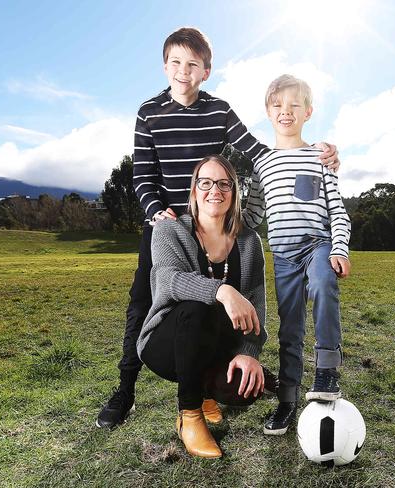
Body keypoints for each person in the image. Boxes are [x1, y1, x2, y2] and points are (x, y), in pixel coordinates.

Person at [96, 27, 340, 429]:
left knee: (209, 311)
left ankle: (209, 385)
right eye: (175, 62)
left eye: (192, 65)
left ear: (205, 71)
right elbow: (141, 175)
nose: (183, 71)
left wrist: (313, 153)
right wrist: (158, 211)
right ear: (164, 66)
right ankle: (125, 391)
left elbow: (261, 153)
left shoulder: (219, 111)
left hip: (215, 227)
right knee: (142, 306)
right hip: (168, 229)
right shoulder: (149, 112)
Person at [135, 155, 266, 458]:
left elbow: (256, 303)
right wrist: (224, 291)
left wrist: (249, 353)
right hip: (167, 342)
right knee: (195, 307)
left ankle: (208, 393)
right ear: (194, 190)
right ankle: (190, 415)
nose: (214, 191)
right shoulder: (168, 230)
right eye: (205, 183)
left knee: (246, 388)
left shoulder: (248, 242)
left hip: (216, 344)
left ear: (235, 192)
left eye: (224, 184)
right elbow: (168, 280)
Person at [243, 74, 352, 435]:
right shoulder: (262, 164)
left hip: (318, 246)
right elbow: (251, 216)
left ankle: (327, 372)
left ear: (308, 111)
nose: (285, 112)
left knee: (322, 284)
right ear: (267, 111)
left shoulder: (320, 156)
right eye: (277, 105)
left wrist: (339, 248)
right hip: (284, 257)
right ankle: (287, 400)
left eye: (294, 105)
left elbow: (337, 209)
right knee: (289, 329)